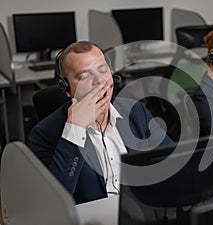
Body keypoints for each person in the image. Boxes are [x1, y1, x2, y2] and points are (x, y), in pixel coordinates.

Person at [28, 41, 172, 204]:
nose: (99, 81)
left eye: (103, 71)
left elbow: (171, 160)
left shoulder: (135, 111)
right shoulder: (44, 134)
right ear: (66, 88)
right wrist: (75, 129)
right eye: (84, 76)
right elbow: (53, 201)